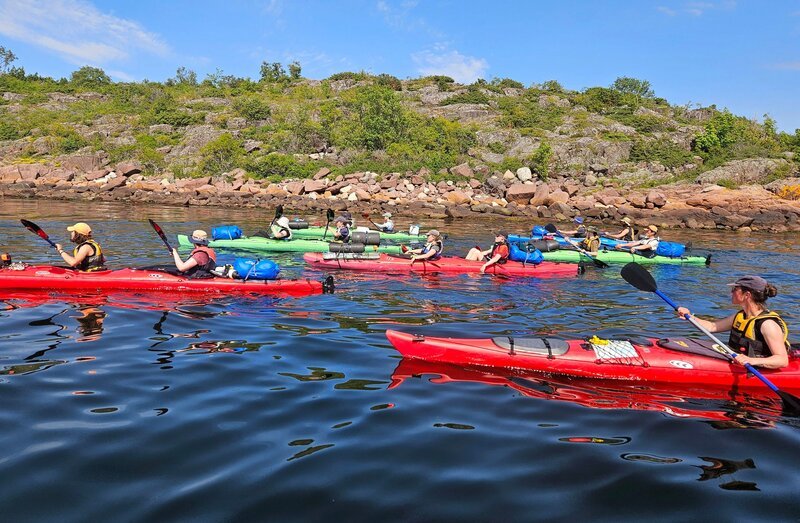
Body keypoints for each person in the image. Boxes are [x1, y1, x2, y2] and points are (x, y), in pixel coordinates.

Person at [676, 276, 790, 369]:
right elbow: (712, 327)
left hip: (757, 368)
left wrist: (751, 360)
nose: (731, 293)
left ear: (747, 295)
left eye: (735, 290)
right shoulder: (740, 316)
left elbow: (782, 360)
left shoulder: (768, 324)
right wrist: (690, 317)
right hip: (737, 361)